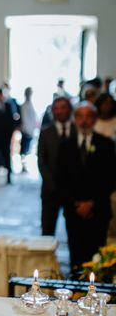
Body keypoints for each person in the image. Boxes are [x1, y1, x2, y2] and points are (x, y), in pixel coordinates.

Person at [57, 102, 116, 275]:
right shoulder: (65, 146)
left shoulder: (106, 144)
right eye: (80, 116)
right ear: (75, 119)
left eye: (88, 116)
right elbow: (60, 179)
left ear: (95, 119)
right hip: (73, 211)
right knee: (75, 256)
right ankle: (75, 292)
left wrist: (91, 203)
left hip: (98, 210)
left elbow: (111, 178)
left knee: (97, 257)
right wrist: (75, 204)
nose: (84, 121)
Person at [37, 96, 75, 236]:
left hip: (73, 191)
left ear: (70, 109)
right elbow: (41, 162)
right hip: (50, 190)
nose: (60, 111)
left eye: (63, 107)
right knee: (47, 230)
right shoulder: (46, 132)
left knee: (74, 231)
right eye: (56, 108)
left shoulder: (77, 130)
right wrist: (53, 184)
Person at [19, 86, 38, 172]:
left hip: (31, 131)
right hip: (26, 131)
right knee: (24, 150)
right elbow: (24, 119)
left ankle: (24, 166)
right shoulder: (23, 106)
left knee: (27, 150)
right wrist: (27, 130)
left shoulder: (31, 105)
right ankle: (23, 166)